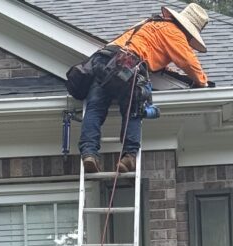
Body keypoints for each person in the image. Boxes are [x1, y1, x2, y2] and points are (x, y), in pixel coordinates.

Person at [79, 4, 212, 175]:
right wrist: (203, 82)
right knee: (134, 109)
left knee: (95, 108)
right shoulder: (175, 32)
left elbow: (144, 48)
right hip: (128, 65)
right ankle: (128, 157)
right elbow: (188, 62)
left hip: (104, 61)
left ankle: (89, 154)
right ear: (189, 30)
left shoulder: (150, 23)